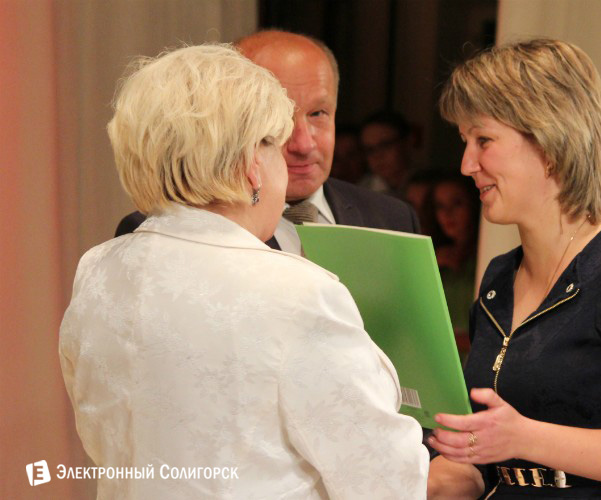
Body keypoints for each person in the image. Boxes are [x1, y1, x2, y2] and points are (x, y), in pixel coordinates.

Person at [59, 44, 428, 499]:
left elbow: (104, 435)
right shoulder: (297, 292)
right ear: (253, 165)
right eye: (277, 145)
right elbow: (386, 482)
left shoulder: (97, 270)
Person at [427, 38, 601, 499]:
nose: (466, 164)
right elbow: (491, 465)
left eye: (483, 141)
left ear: (550, 143)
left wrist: (525, 438)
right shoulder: (498, 281)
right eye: (465, 143)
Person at [115, 31, 419, 254]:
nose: (303, 144)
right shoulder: (163, 231)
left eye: (318, 114)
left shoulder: (392, 217)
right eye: (280, 120)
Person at [431, 174, 480, 357]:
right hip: (440, 361)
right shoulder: (435, 256)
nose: (447, 213)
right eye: (440, 206)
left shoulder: (489, 257)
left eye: (457, 203)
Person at [359, 110, 416, 197]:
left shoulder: (427, 186)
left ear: (407, 142)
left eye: (385, 145)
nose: (377, 156)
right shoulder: (360, 193)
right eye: (370, 150)